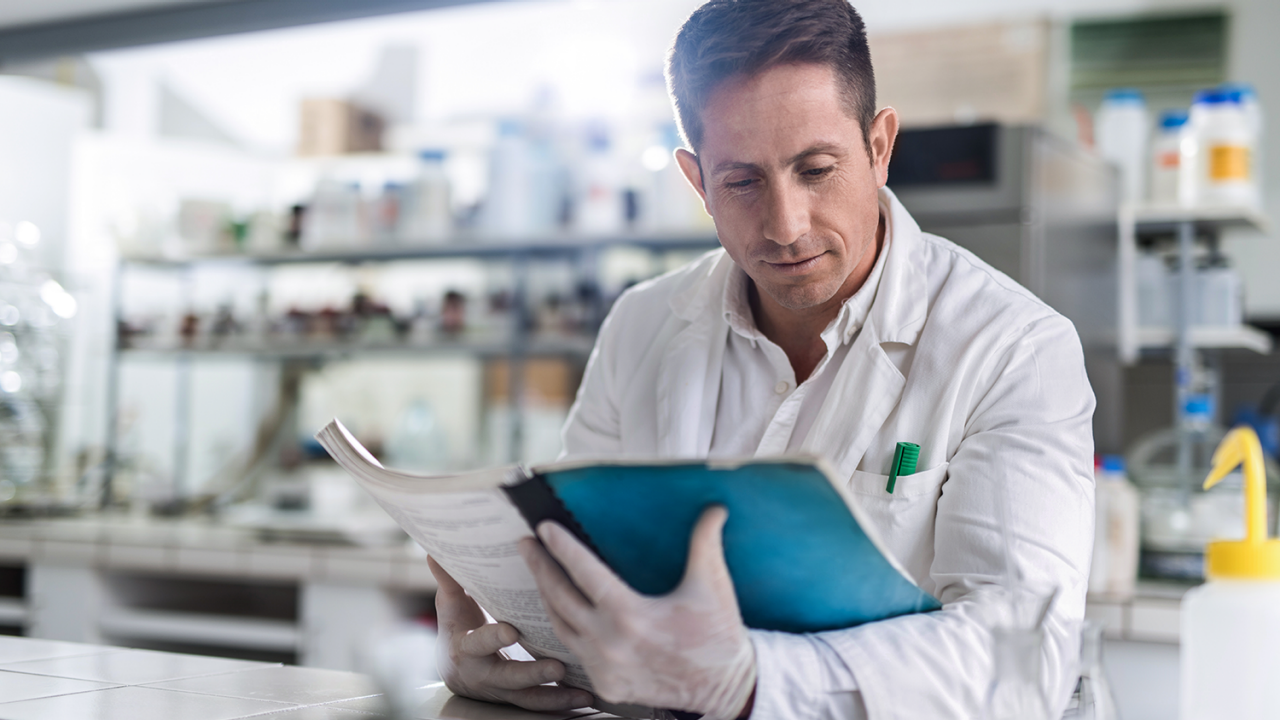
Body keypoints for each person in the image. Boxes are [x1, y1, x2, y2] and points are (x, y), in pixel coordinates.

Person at [428, 0, 1096, 717]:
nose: (786, 227)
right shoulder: (642, 326)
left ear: (879, 147)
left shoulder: (1015, 349)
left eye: (815, 169)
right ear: (696, 181)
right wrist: (520, 658)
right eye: (742, 183)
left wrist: (750, 683)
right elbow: (592, 580)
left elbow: (1024, 655)